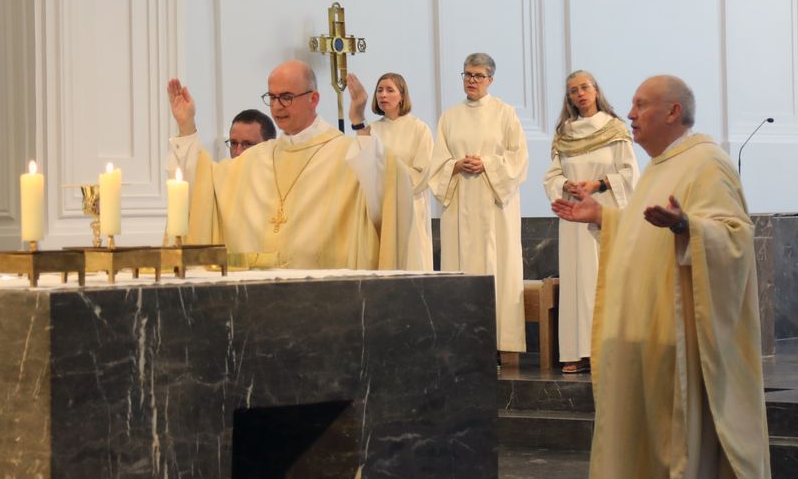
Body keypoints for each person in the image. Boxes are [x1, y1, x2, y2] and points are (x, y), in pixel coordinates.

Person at [552, 74, 777, 479]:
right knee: (664, 447)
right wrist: (605, 218)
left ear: (672, 112)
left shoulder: (707, 162)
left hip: (689, 341)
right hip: (652, 337)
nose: (629, 113)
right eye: (631, 104)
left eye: (640, 105)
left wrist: (688, 229)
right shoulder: (659, 167)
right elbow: (640, 234)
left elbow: (736, 235)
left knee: (690, 446)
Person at [165, 61, 420, 270]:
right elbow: (204, 188)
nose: (277, 106)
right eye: (272, 97)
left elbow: (385, 190)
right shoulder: (256, 158)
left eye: (286, 97)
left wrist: (359, 121)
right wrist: (186, 126)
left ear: (314, 98)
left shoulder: (347, 154)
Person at [429, 53, 528, 356]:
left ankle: (499, 344)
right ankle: (462, 343)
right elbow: (437, 163)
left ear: (490, 80)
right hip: (460, 203)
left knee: (497, 266)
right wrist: (456, 165)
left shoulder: (505, 113)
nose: (471, 81)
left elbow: (518, 158)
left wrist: (486, 163)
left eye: (478, 76)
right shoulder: (450, 116)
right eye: (467, 75)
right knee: (461, 268)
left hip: (494, 204)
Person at [543, 71, 637, 374]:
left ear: (596, 90)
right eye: (573, 91)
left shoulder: (614, 128)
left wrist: (597, 184)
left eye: (585, 87)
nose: (580, 94)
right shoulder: (565, 133)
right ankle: (576, 350)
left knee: (600, 280)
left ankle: (603, 349)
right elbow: (553, 175)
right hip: (573, 218)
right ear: (568, 98)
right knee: (575, 282)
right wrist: (566, 186)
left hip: (603, 213)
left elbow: (630, 173)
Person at [347, 72, 435, 270]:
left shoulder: (419, 129)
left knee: (411, 260)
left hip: (409, 206)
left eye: (389, 90)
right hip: (380, 208)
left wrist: (390, 174)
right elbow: (363, 167)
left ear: (402, 96)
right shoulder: (372, 129)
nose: (383, 95)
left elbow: (424, 172)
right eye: (379, 90)